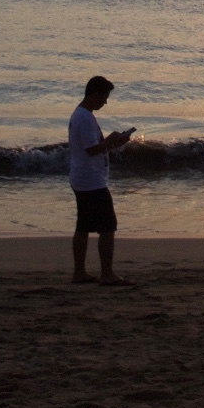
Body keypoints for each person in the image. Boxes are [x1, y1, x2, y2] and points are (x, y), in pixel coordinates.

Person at [69, 75, 135, 285]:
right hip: (91, 181)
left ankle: (79, 272)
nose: (105, 102)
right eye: (104, 97)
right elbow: (91, 149)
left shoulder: (80, 115)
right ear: (95, 95)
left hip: (83, 177)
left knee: (84, 226)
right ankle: (107, 273)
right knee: (107, 226)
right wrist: (110, 140)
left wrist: (114, 144)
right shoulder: (85, 118)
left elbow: (95, 149)